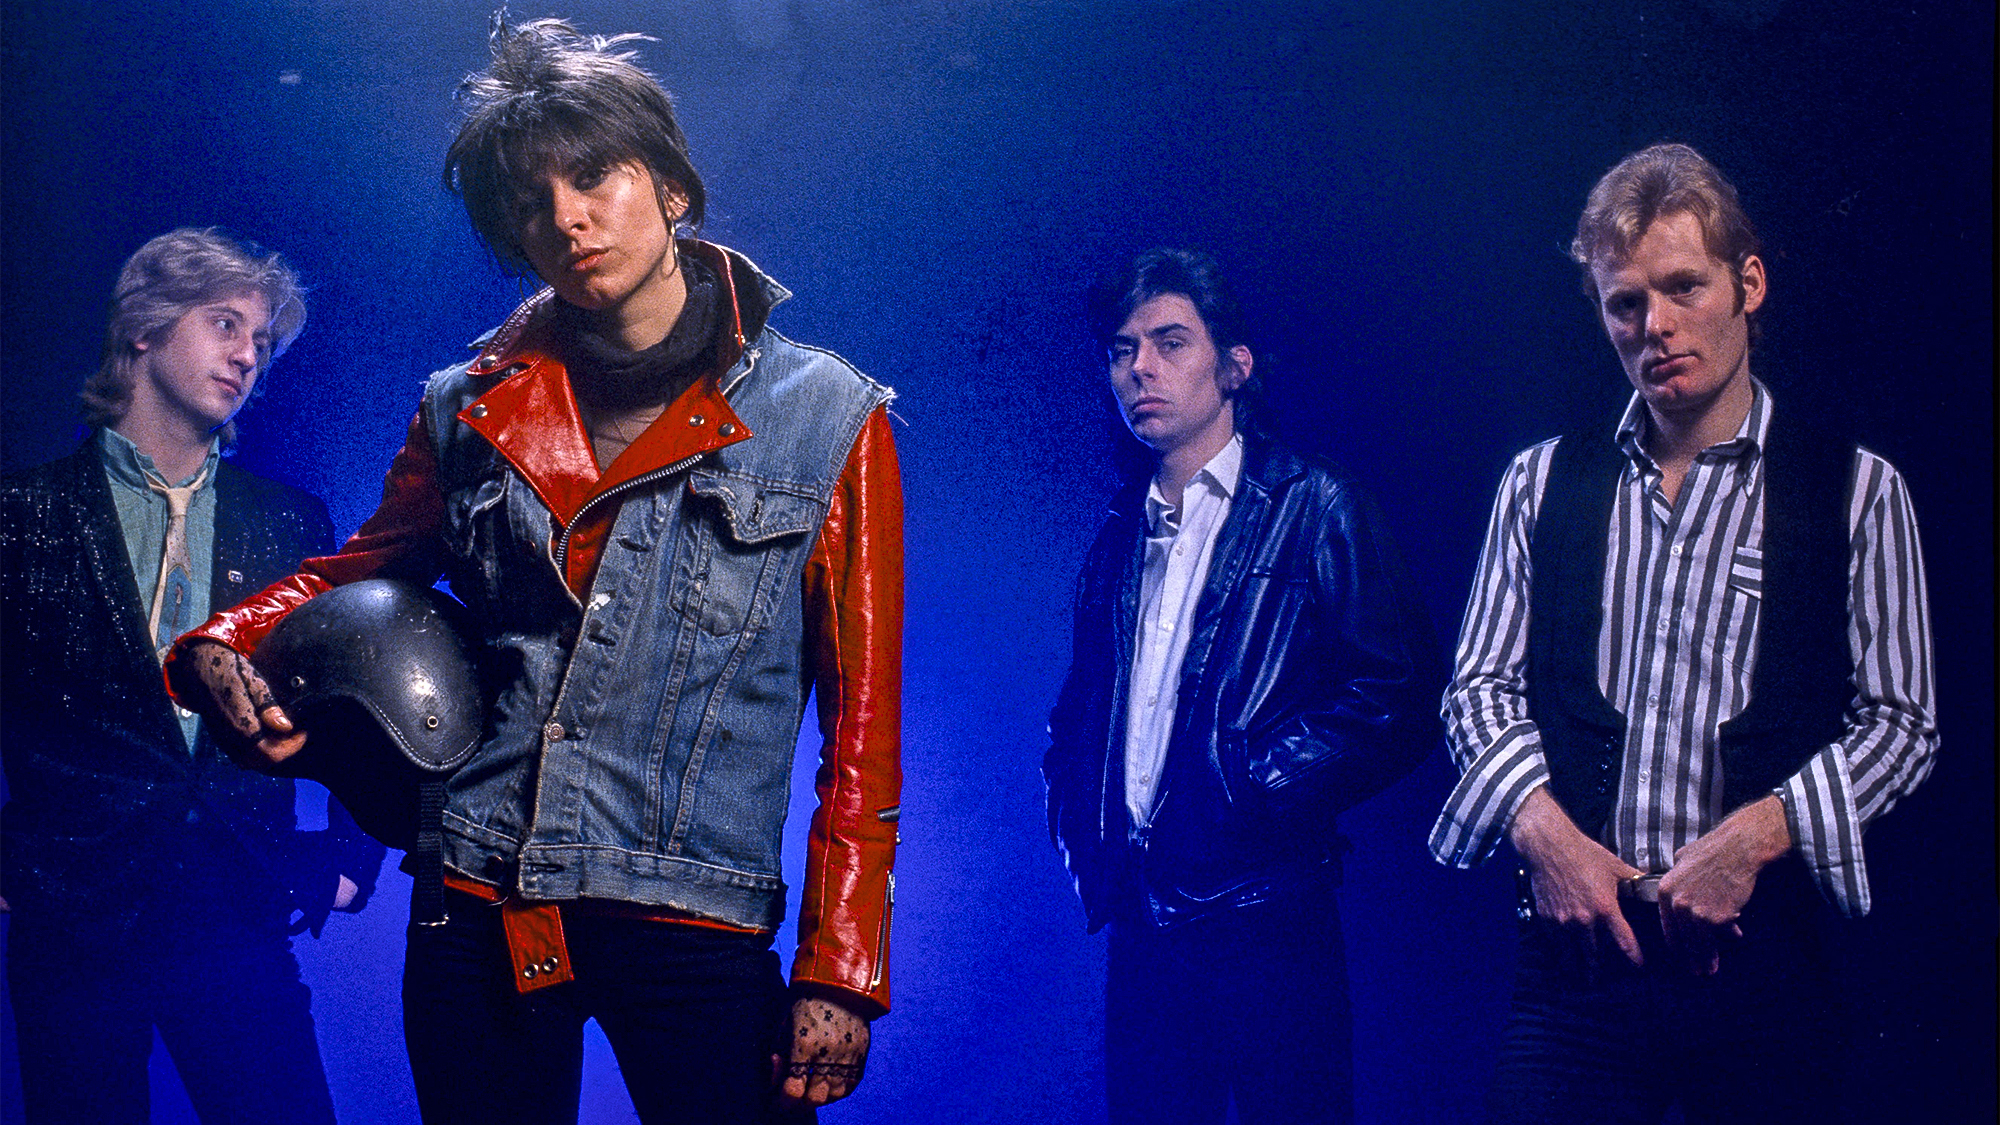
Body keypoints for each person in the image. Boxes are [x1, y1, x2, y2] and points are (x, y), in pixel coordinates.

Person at [166, 18, 900, 1123]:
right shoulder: (465, 405)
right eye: (527, 199)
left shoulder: (829, 419)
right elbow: (360, 566)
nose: (565, 216)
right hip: (478, 896)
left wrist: (840, 969)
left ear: (669, 184)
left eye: (594, 174)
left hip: (693, 915)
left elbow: (861, 728)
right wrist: (220, 641)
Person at [1428, 143, 1938, 1122]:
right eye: (1625, 304)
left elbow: (1899, 723)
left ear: (1745, 282)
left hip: (1761, 977)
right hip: (1573, 970)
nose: (1653, 326)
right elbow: (1475, 688)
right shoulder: (1538, 483)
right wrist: (1545, 838)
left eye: (1680, 287)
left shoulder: (1857, 492)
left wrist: (1756, 837)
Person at [1044, 248, 1440, 1125]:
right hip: (1144, 922)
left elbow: (1401, 692)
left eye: (1170, 342)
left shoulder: (1317, 505)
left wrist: (1254, 786)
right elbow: (1077, 718)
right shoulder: (1118, 535)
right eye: (1122, 348)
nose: (1139, 366)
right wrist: (1087, 833)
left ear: (1234, 366)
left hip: (1270, 920)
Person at [0, 227, 384, 1124]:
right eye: (226, 324)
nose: (249, 354)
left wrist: (350, 858)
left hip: (239, 905)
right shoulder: (20, 514)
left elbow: (351, 695)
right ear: (143, 328)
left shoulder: (289, 517)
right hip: (71, 914)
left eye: (262, 341)